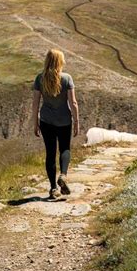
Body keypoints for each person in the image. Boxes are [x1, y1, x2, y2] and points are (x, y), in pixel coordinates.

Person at [32, 49, 80, 199]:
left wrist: (35, 123)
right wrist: (77, 121)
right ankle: (63, 175)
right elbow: (73, 102)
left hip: (46, 121)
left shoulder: (40, 78)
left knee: (50, 153)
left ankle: (53, 188)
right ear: (60, 62)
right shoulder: (67, 78)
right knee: (65, 148)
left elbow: (35, 104)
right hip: (64, 120)